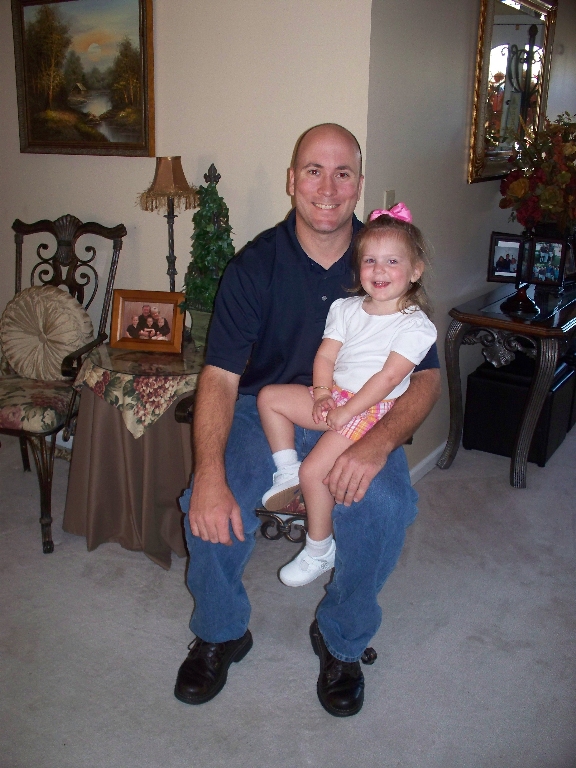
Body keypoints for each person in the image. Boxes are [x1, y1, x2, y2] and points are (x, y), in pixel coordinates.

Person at [175, 123, 441, 717]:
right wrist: (209, 471)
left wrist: (379, 444)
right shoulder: (254, 266)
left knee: (384, 503)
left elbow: (425, 378)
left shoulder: (384, 259)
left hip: (361, 414)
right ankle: (220, 630)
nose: (327, 187)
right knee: (208, 498)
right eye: (314, 171)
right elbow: (219, 376)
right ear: (292, 180)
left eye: (342, 173)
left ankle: (342, 639)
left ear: (359, 184)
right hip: (267, 408)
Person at [257, 208, 437, 587]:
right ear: (358, 267)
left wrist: (345, 412)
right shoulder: (346, 308)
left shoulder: (415, 325)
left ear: (415, 270)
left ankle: (319, 548)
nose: (379, 269)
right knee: (270, 397)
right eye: (370, 260)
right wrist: (323, 396)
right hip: (337, 396)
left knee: (314, 472)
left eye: (392, 261)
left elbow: (388, 379)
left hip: (369, 408)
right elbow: (326, 356)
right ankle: (285, 471)